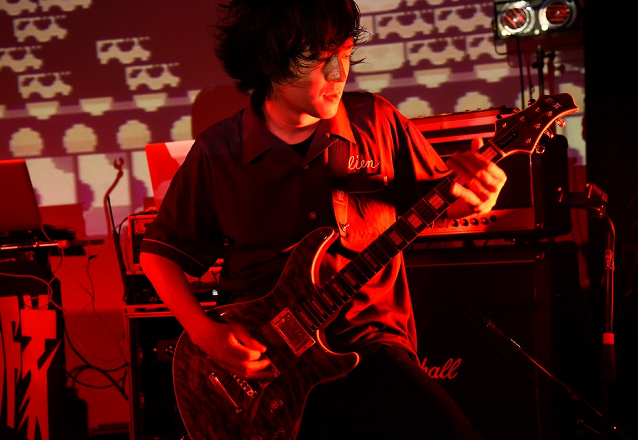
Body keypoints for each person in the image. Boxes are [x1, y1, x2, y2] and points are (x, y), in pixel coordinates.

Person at [140, 0, 506, 438]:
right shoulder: (218, 151)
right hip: (266, 366)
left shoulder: (376, 120)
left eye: (346, 53)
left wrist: (478, 198)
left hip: (370, 343)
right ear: (269, 61)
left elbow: (443, 203)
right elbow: (159, 254)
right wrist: (205, 333)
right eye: (318, 59)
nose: (339, 73)